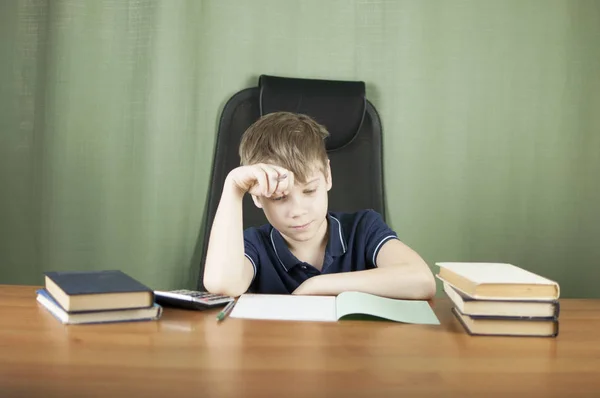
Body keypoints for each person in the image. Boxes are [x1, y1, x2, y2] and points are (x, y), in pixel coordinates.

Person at [203, 111, 436, 299]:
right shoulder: (253, 244)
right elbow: (223, 286)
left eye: (309, 191)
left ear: (327, 176)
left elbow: (422, 280)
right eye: (279, 197)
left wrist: (317, 285)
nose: (298, 211)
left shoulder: (363, 228)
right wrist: (233, 187)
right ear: (256, 197)